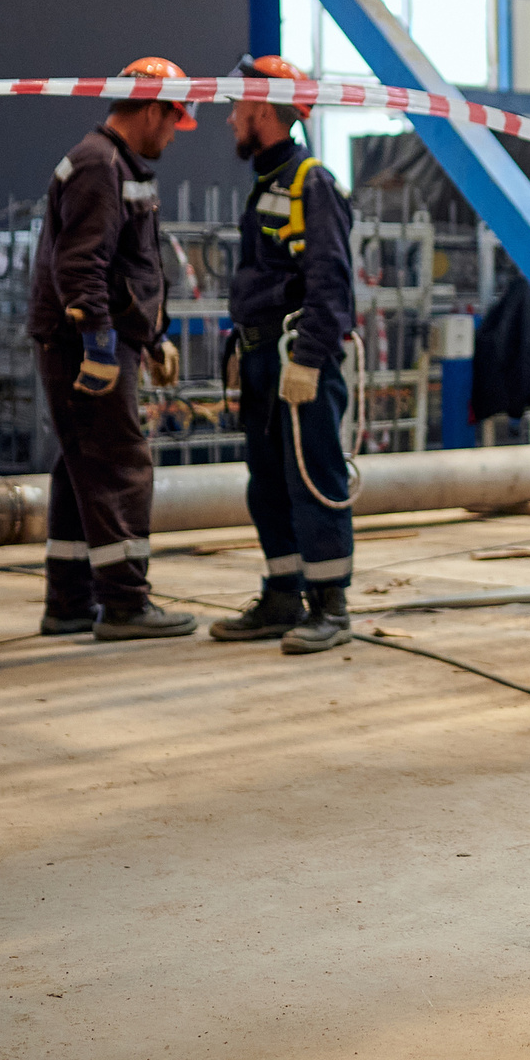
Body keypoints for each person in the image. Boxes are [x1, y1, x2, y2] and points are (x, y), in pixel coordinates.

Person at [30, 58, 200, 640]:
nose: (174, 134)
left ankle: (70, 601)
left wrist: (152, 338)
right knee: (120, 462)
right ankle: (126, 603)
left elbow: (134, 263)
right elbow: (80, 266)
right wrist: (100, 345)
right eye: (174, 120)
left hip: (101, 340)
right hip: (83, 344)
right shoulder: (99, 164)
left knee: (80, 462)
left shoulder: (118, 165)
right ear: (153, 109)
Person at [209, 54, 360, 656]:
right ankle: (281, 595)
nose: (230, 120)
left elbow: (331, 283)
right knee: (267, 482)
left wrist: (310, 358)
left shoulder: (311, 183)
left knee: (313, 477)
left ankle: (330, 604)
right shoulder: (268, 185)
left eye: (238, 107)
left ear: (264, 110)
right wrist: (239, 348)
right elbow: (262, 280)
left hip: (299, 359)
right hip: (261, 356)